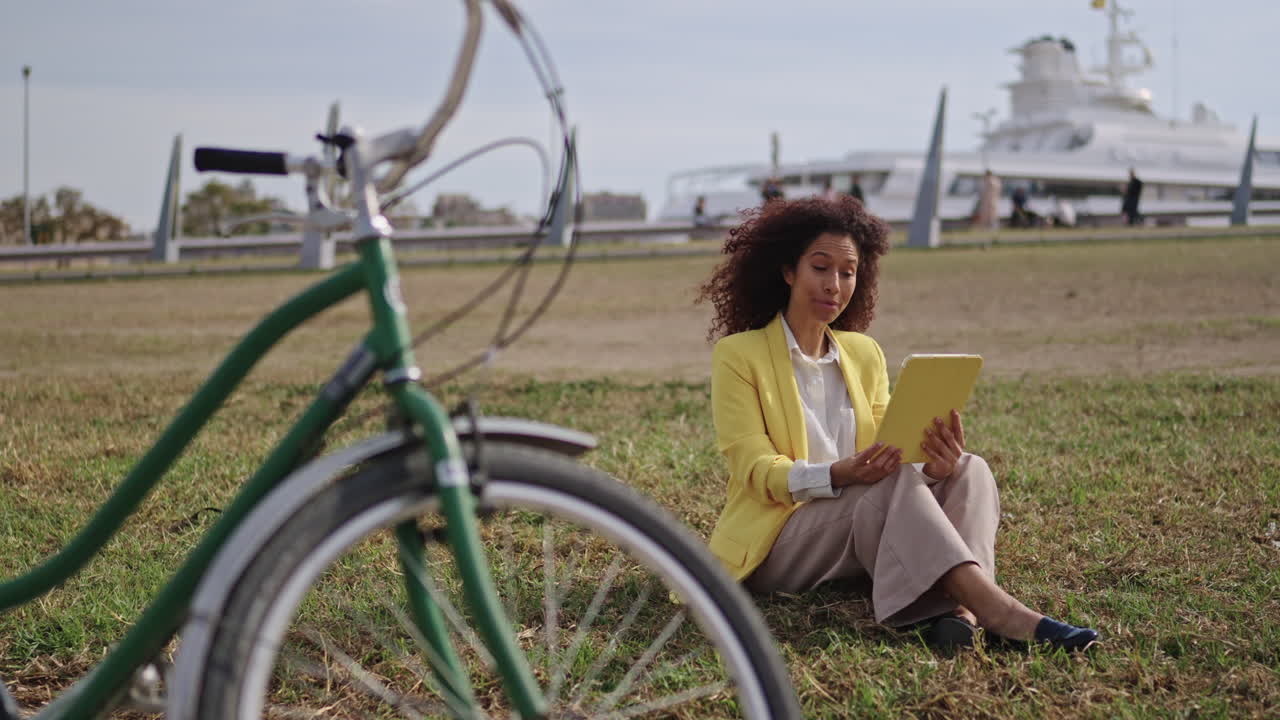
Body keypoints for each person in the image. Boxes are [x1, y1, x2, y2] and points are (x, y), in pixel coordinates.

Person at [696, 195, 1099, 651]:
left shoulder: (863, 354)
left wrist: (934, 466)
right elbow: (754, 469)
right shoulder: (738, 356)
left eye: (848, 272)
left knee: (971, 469)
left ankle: (960, 616)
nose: (835, 284)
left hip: (863, 517)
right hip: (780, 540)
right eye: (821, 268)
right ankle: (1000, 613)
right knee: (884, 487)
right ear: (789, 271)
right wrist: (837, 474)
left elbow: (892, 450)